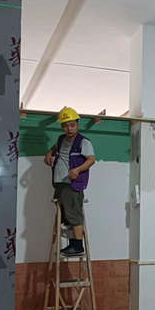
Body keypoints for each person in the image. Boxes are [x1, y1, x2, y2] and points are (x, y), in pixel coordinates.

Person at [44, 107, 96, 256]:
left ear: (77, 124)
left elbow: (91, 160)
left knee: (74, 214)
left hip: (72, 184)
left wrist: (78, 170)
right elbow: (55, 148)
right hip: (60, 183)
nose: (69, 128)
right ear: (62, 127)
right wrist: (49, 153)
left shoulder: (83, 142)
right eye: (66, 126)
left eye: (72, 125)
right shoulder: (61, 139)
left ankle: (77, 246)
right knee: (66, 215)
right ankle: (72, 244)